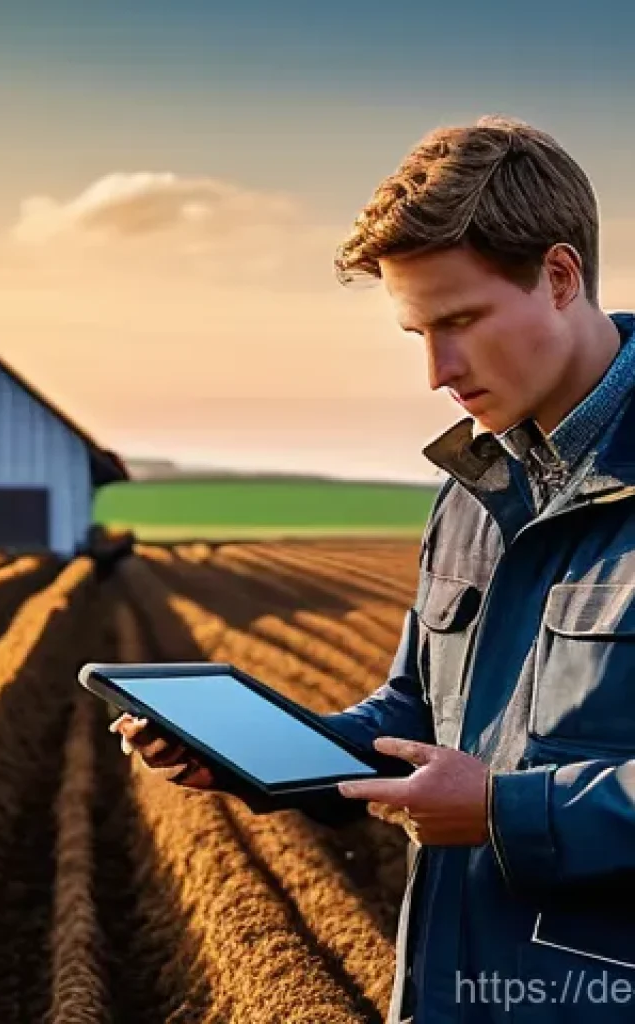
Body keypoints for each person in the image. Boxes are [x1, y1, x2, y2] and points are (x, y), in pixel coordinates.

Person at [111, 115, 635, 1023]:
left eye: (461, 321)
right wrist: (262, 756)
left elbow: (492, 796)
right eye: (417, 332)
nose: (438, 370)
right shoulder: (475, 487)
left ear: (560, 277)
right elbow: (413, 717)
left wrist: (508, 810)